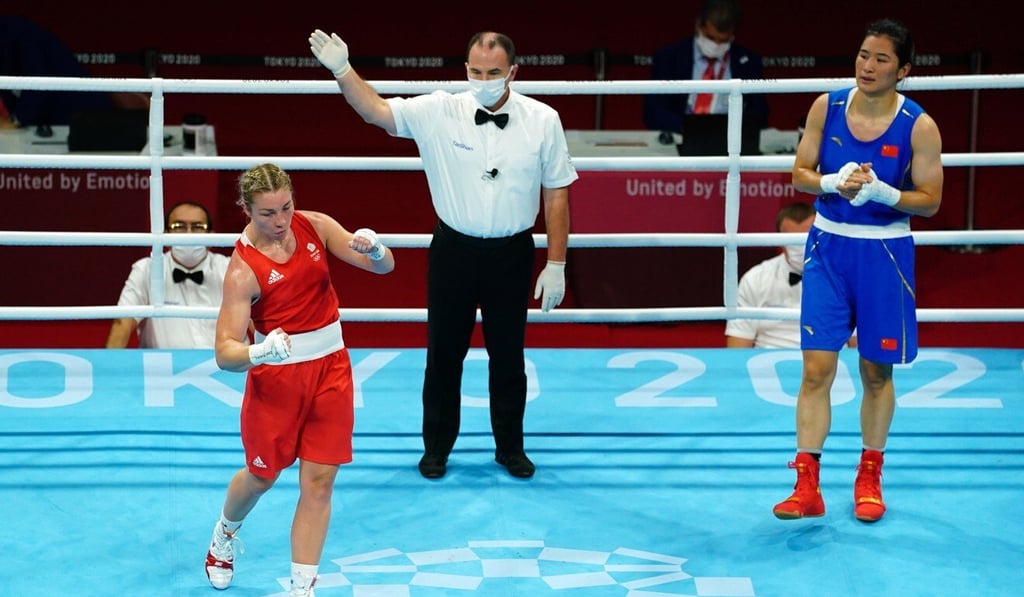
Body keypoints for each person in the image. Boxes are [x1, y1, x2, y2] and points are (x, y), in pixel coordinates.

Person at [309, 28, 577, 480]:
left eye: (493, 72)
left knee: (509, 357)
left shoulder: (543, 119)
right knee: (443, 355)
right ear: (465, 69)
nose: (483, 78)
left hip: (512, 253)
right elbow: (375, 111)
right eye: (475, 71)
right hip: (454, 250)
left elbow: (556, 196)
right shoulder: (439, 109)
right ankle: (436, 448)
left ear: (513, 71)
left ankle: (510, 447)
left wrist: (556, 263)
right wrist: (342, 69)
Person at [773, 18, 943, 523]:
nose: (868, 66)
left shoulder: (920, 126)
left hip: (884, 254)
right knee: (816, 369)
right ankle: (806, 485)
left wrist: (886, 194)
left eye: (882, 59)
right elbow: (799, 173)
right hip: (828, 247)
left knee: (875, 371)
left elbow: (931, 201)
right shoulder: (828, 106)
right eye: (864, 55)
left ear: (904, 69)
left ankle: (869, 474)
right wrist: (832, 179)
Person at [203, 163, 395, 596]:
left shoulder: (317, 226)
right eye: (267, 213)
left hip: (332, 368)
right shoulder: (242, 271)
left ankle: (301, 587)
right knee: (262, 477)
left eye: (285, 208)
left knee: (320, 480)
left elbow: (383, 269)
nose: (280, 221)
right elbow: (224, 353)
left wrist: (376, 249)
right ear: (246, 210)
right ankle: (224, 535)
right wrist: (260, 351)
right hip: (278, 381)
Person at [642, 0, 768, 151]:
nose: (715, 45)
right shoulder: (669, 57)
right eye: (710, 38)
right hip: (679, 138)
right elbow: (653, 111)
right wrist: (692, 128)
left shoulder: (749, 62)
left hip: (731, 143)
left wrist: (729, 130)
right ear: (698, 27)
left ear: (733, 34)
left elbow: (760, 113)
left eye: (723, 41)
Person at [106, 201, 230, 349]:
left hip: (225, 369)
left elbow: (255, 322)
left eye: (198, 227)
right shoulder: (146, 269)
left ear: (211, 236)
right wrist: (107, 371)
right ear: (166, 234)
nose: (188, 234)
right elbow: (122, 323)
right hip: (164, 370)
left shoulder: (231, 268)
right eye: (179, 227)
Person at [725, 202, 816, 349]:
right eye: (793, 242)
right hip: (765, 364)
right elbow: (737, 348)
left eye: (805, 240)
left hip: (829, 364)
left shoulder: (842, 278)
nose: (800, 248)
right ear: (779, 241)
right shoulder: (755, 279)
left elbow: (856, 348)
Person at [0, 15, 113, 128]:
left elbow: (38, 81)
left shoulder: (18, 32)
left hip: (84, 119)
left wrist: (16, 120)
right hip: (48, 124)